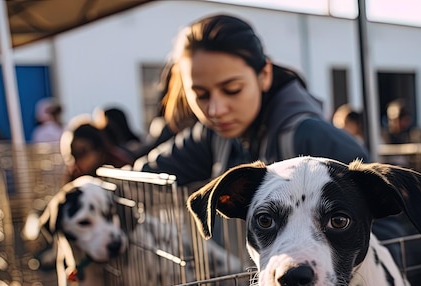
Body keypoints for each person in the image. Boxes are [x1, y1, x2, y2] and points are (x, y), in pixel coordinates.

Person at [134, 14, 369, 187]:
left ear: (264, 75)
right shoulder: (210, 135)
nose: (215, 110)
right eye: (201, 95)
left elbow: (389, 230)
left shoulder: (312, 138)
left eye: (232, 89)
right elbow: (145, 174)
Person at [60, 115, 136, 182]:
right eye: (73, 154)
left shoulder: (118, 166)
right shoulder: (75, 173)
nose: (77, 161)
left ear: (99, 149)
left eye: (82, 152)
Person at [380, 99, 421, 170]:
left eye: (396, 119)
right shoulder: (383, 136)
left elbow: (419, 162)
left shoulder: (415, 135)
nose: (393, 123)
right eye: (391, 119)